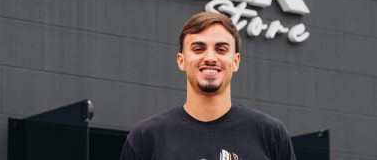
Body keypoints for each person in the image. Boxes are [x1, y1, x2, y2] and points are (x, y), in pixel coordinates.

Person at [120, 11, 296, 160]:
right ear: (181, 61)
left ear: (235, 62)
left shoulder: (271, 135)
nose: (210, 58)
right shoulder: (146, 137)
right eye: (198, 49)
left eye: (221, 49)